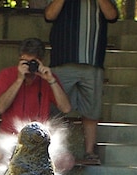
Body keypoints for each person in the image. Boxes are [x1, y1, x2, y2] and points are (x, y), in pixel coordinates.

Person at [44, 0, 119, 165]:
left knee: (91, 110)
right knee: (55, 109)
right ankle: (51, 150)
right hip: (62, 60)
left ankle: (89, 151)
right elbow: (49, 15)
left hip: (92, 61)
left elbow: (112, 15)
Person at [0, 37, 72, 138]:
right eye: (25, 62)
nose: (29, 67)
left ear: (40, 61)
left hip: (37, 140)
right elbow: (0, 108)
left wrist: (52, 81)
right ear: (19, 59)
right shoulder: (6, 74)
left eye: (32, 63)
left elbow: (65, 108)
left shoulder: (47, 78)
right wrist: (19, 80)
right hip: (10, 137)